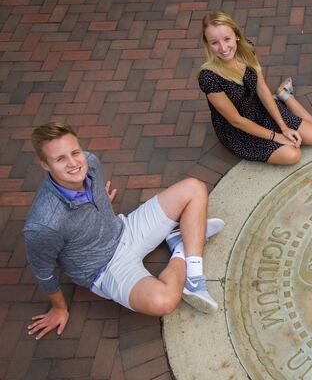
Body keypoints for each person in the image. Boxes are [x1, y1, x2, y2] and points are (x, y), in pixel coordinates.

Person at [24, 122, 223, 340]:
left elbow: (88, 187)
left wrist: (97, 203)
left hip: (126, 229)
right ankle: (181, 247)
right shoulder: (44, 224)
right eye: (60, 159)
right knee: (164, 301)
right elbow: (43, 272)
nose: (73, 163)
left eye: (75, 152)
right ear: (44, 164)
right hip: (106, 269)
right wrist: (59, 308)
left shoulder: (89, 163)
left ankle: (194, 277)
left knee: (194, 188)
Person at [199, 11, 312, 165]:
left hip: (260, 108)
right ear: (207, 44)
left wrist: (283, 127)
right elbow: (236, 120)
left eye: (227, 39)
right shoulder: (208, 77)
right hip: (239, 130)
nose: (223, 48)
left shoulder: (247, 50)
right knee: (293, 155)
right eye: (214, 42)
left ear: (236, 35)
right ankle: (284, 96)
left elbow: (262, 88)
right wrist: (276, 136)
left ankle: (285, 95)